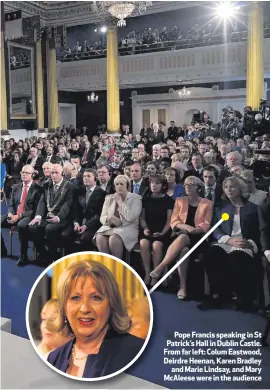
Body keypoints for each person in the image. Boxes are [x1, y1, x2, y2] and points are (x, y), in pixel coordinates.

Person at [47, 260, 144, 378]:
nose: (85, 308)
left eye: (95, 298)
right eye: (75, 298)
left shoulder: (135, 351)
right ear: (64, 308)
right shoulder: (54, 358)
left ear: (111, 305)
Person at [201, 176, 260, 311]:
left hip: (244, 243)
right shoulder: (221, 207)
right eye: (226, 187)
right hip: (226, 241)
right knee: (213, 254)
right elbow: (215, 228)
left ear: (240, 189)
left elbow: (259, 231)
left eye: (232, 187)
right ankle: (217, 295)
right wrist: (227, 239)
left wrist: (250, 243)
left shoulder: (254, 208)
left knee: (237, 258)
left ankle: (242, 298)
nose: (229, 190)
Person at [150, 176, 213, 299]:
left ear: (198, 187)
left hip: (198, 237)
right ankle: (183, 287)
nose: (187, 187)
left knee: (184, 242)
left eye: (191, 185)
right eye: (186, 185)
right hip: (180, 235)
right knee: (183, 247)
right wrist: (188, 228)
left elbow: (206, 223)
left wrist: (197, 230)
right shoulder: (179, 200)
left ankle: (161, 267)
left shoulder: (207, 203)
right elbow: (174, 221)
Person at [29, 164, 75, 263]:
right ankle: (43, 253)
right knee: (33, 227)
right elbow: (42, 201)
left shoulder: (69, 186)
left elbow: (68, 204)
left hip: (62, 218)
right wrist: (38, 216)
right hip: (48, 216)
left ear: (62, 173)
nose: (53, 175)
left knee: (50, 229)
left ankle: (52, 257)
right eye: (52, 173)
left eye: (56, 173)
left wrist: (58, 217)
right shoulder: (47, 184)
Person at [1, 165, 42, 266]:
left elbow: (34, 210)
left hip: (27, 215)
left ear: (32, 175)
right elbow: (11, 204)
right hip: (14, 214)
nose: (24, 175)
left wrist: (18, 216)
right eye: (22, 172)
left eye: (27, 173)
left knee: (21, 225)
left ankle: (24, 256)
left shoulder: (38, 189)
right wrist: (10, 213)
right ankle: (2, 250)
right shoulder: (16, 187)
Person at [95, 175, 142, 259]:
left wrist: (120, 202)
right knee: (99, 237)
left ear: (127, 186)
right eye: (117, 184)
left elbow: (130, 217)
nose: (119, 186)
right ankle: (107, 264)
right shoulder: (109, 197)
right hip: (111, 227)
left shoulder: (136, 198)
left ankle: (117, 265)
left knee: (114, 238)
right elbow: (102, 217)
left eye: (121, 184)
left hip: (128, 227)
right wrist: (109, 218)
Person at [139, 175, 174, 285]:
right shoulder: (146, 198)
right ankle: (147, 273)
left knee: (157, 245)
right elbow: (142, 217)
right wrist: (145, 228)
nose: (154, 185)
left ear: (163, 186)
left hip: (163, 231)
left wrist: (163, 233)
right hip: (147, 229)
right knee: (143, 243)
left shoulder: (168, 200)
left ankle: (155, 274)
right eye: (152, 183)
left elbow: (169, 220)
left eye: (157, 183)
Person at [63, 169, 106, 251]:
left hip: (93, 224)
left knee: (84, 238)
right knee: (65, 234)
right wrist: (75, 223)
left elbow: (99, 214)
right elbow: (74, 210)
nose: (86, 178)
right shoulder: (79, 191)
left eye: (89, 176)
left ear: (95, 178)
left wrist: (86, 226)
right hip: (79, 223)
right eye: (84, 176)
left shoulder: (102, 193)